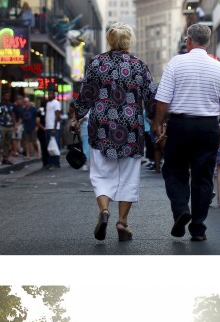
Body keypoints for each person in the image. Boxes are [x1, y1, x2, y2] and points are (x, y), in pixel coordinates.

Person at [73, 22, 156, 242]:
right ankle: (122, 222)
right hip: (131, 129)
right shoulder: (139, 65)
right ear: (129, 40)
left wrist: (76, 116)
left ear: (109, 40)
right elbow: (151, 98)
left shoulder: (97, 63)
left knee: (101, 174)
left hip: (101, 128)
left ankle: (104, 211)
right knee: (128, 177)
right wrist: (157, 119)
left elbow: (86, 94)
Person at [152, 23, 220, 242]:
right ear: (207, 41)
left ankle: (181, 209)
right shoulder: (219, 68)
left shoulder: (176, 63)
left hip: (180, 125)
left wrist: (158, 124)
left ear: (189, 40)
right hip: (208, 126)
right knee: (203, 176)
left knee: (174, 170)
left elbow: (163, 100)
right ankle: (198, 228)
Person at [44, 91, 62, 170]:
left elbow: (57, 116)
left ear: (54, 95)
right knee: (49, 146)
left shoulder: (56, 103)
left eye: (51, 94)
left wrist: (54, 128)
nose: (49, 95)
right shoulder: (48, 103)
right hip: (48, 127)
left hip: (54, 128)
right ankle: (50, 162)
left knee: (54, 145)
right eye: (48, 94)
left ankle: (55, 163)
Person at [0, 90, 16, 165]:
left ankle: (5, 158)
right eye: (6, 96)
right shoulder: (0, 105)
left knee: (7, 143)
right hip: (2, 125)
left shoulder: (12, 105)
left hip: (10, 125)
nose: (7, 97)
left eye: (8, 96)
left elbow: (13, 114)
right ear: (3, 96)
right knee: (1, 142)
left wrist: (14, 125)